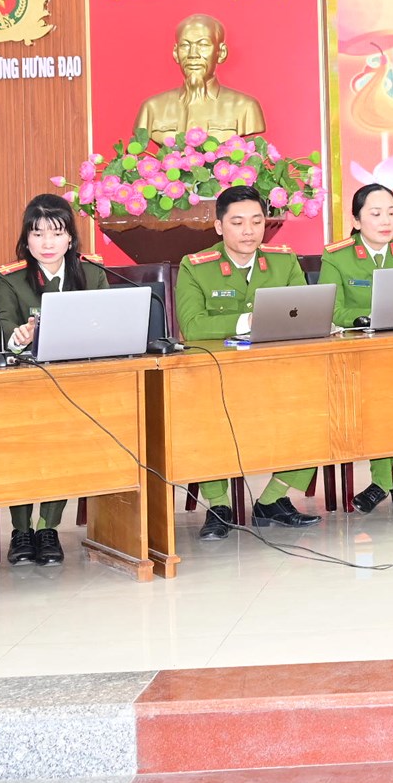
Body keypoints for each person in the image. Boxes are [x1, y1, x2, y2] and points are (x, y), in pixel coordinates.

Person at [172, 185, 318, 539]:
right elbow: (192, 327)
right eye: (237, 223)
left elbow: (304, 314)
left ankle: (272, 499)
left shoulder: (283, 261)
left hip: (275, 370)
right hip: (218, 373)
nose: (249, 231)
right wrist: (246, 321)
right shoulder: (195, 266)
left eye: (256, 221)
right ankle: (219, 506)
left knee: (317, 404)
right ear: (219, 226)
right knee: (202, 413)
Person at [0, 193, 111, 566]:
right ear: (26, 238)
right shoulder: (10, 277)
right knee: (22, 446)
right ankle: (21, 530)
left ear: (70, 238)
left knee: (66, 441)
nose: (47, 243)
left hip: (76, 383)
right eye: (37, 233)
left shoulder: (92, 274)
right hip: (24, 385)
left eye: (56, 233)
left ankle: (48, 527)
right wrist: (17, 336)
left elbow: (106, 325)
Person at [317, 184, 393, 513]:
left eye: (392, 213)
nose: (386, 221)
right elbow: (331, 308)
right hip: (360, 350)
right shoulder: (337, 255)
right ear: (356, 221)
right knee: (379, 402)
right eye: (376, 213)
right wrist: (362, 317)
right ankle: (381, 482)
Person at [134, 13, 267, 144]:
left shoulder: (245, 107)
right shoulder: (151, 108)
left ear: (221, 53)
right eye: (185, 45)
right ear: (175, 53)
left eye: (203, 45)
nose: (193, 54)